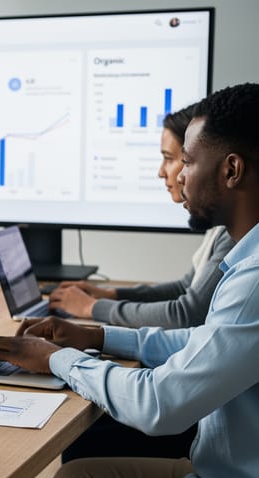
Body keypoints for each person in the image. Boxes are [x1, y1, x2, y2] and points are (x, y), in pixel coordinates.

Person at [0, 82, 259, 478]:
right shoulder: (246, 259)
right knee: (76, 477)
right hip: (222, 472)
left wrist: (56, 359)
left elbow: (159, 405)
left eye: (187, 161)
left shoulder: (254, 279)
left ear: (231, 170)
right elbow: (206, 342)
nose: (178, 175)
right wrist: (97, 337)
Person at [48, 105, 235, 330]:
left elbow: (187, 314)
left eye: (174, 159)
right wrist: (112, 294)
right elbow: (186, 287)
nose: (161, 172)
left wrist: (92, 307)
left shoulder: (234, 235)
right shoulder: (219, 228)